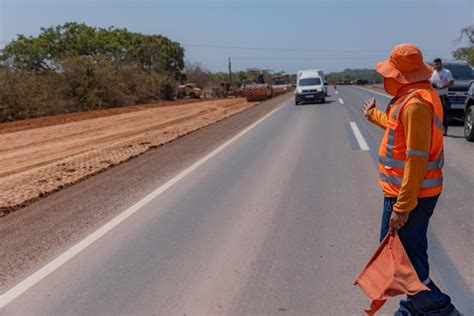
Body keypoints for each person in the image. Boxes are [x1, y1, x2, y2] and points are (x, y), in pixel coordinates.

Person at [361, 43, 459, 316]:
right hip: (406, 193)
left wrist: (402, 207)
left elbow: (415, 159)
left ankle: (441, 309)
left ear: (398, 76)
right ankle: (412, 310)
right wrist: (372, 115)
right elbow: (396, 127)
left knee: (400, 261)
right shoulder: (411, 98)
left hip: (410, 195)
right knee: (412, 255)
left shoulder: (416, 104)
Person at [430, 58, 454, 136]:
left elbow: (451, 82)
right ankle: (434, 129)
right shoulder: (433, 72)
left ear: (441, 64)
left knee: (443, 113)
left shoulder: (446, 72)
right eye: (435, 64)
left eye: (438, 64)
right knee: (432, 113)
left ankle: (445, 129)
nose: (436, 66)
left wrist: (442, 87)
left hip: (442, 96)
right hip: (433, 96)